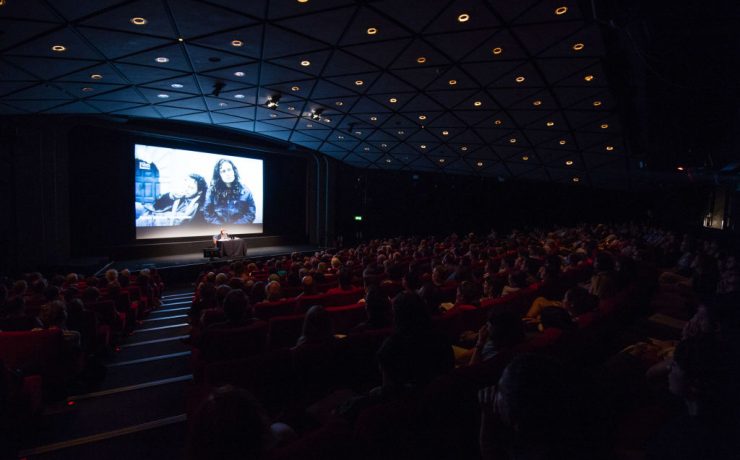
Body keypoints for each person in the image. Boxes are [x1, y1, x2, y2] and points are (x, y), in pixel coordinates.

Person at [137, 174, 207, 226]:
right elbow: (157, 204)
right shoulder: (180, 195)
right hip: (151, 211)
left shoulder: (201, 207)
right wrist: (171, 196)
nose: (186, 189)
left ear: (199, 192)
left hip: (155, 222)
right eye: (186, 185)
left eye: (191, 188)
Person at [204, 159, 256, 225]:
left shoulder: (245, 191)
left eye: (229, 169)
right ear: (219, 175)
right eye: (223, 171)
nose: (227, 174)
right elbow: (207, 213)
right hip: (218, 230)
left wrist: (234, 228)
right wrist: (222, 228)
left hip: (239, 231)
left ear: (234, 171)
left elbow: (250, 214)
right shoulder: (211, 191)